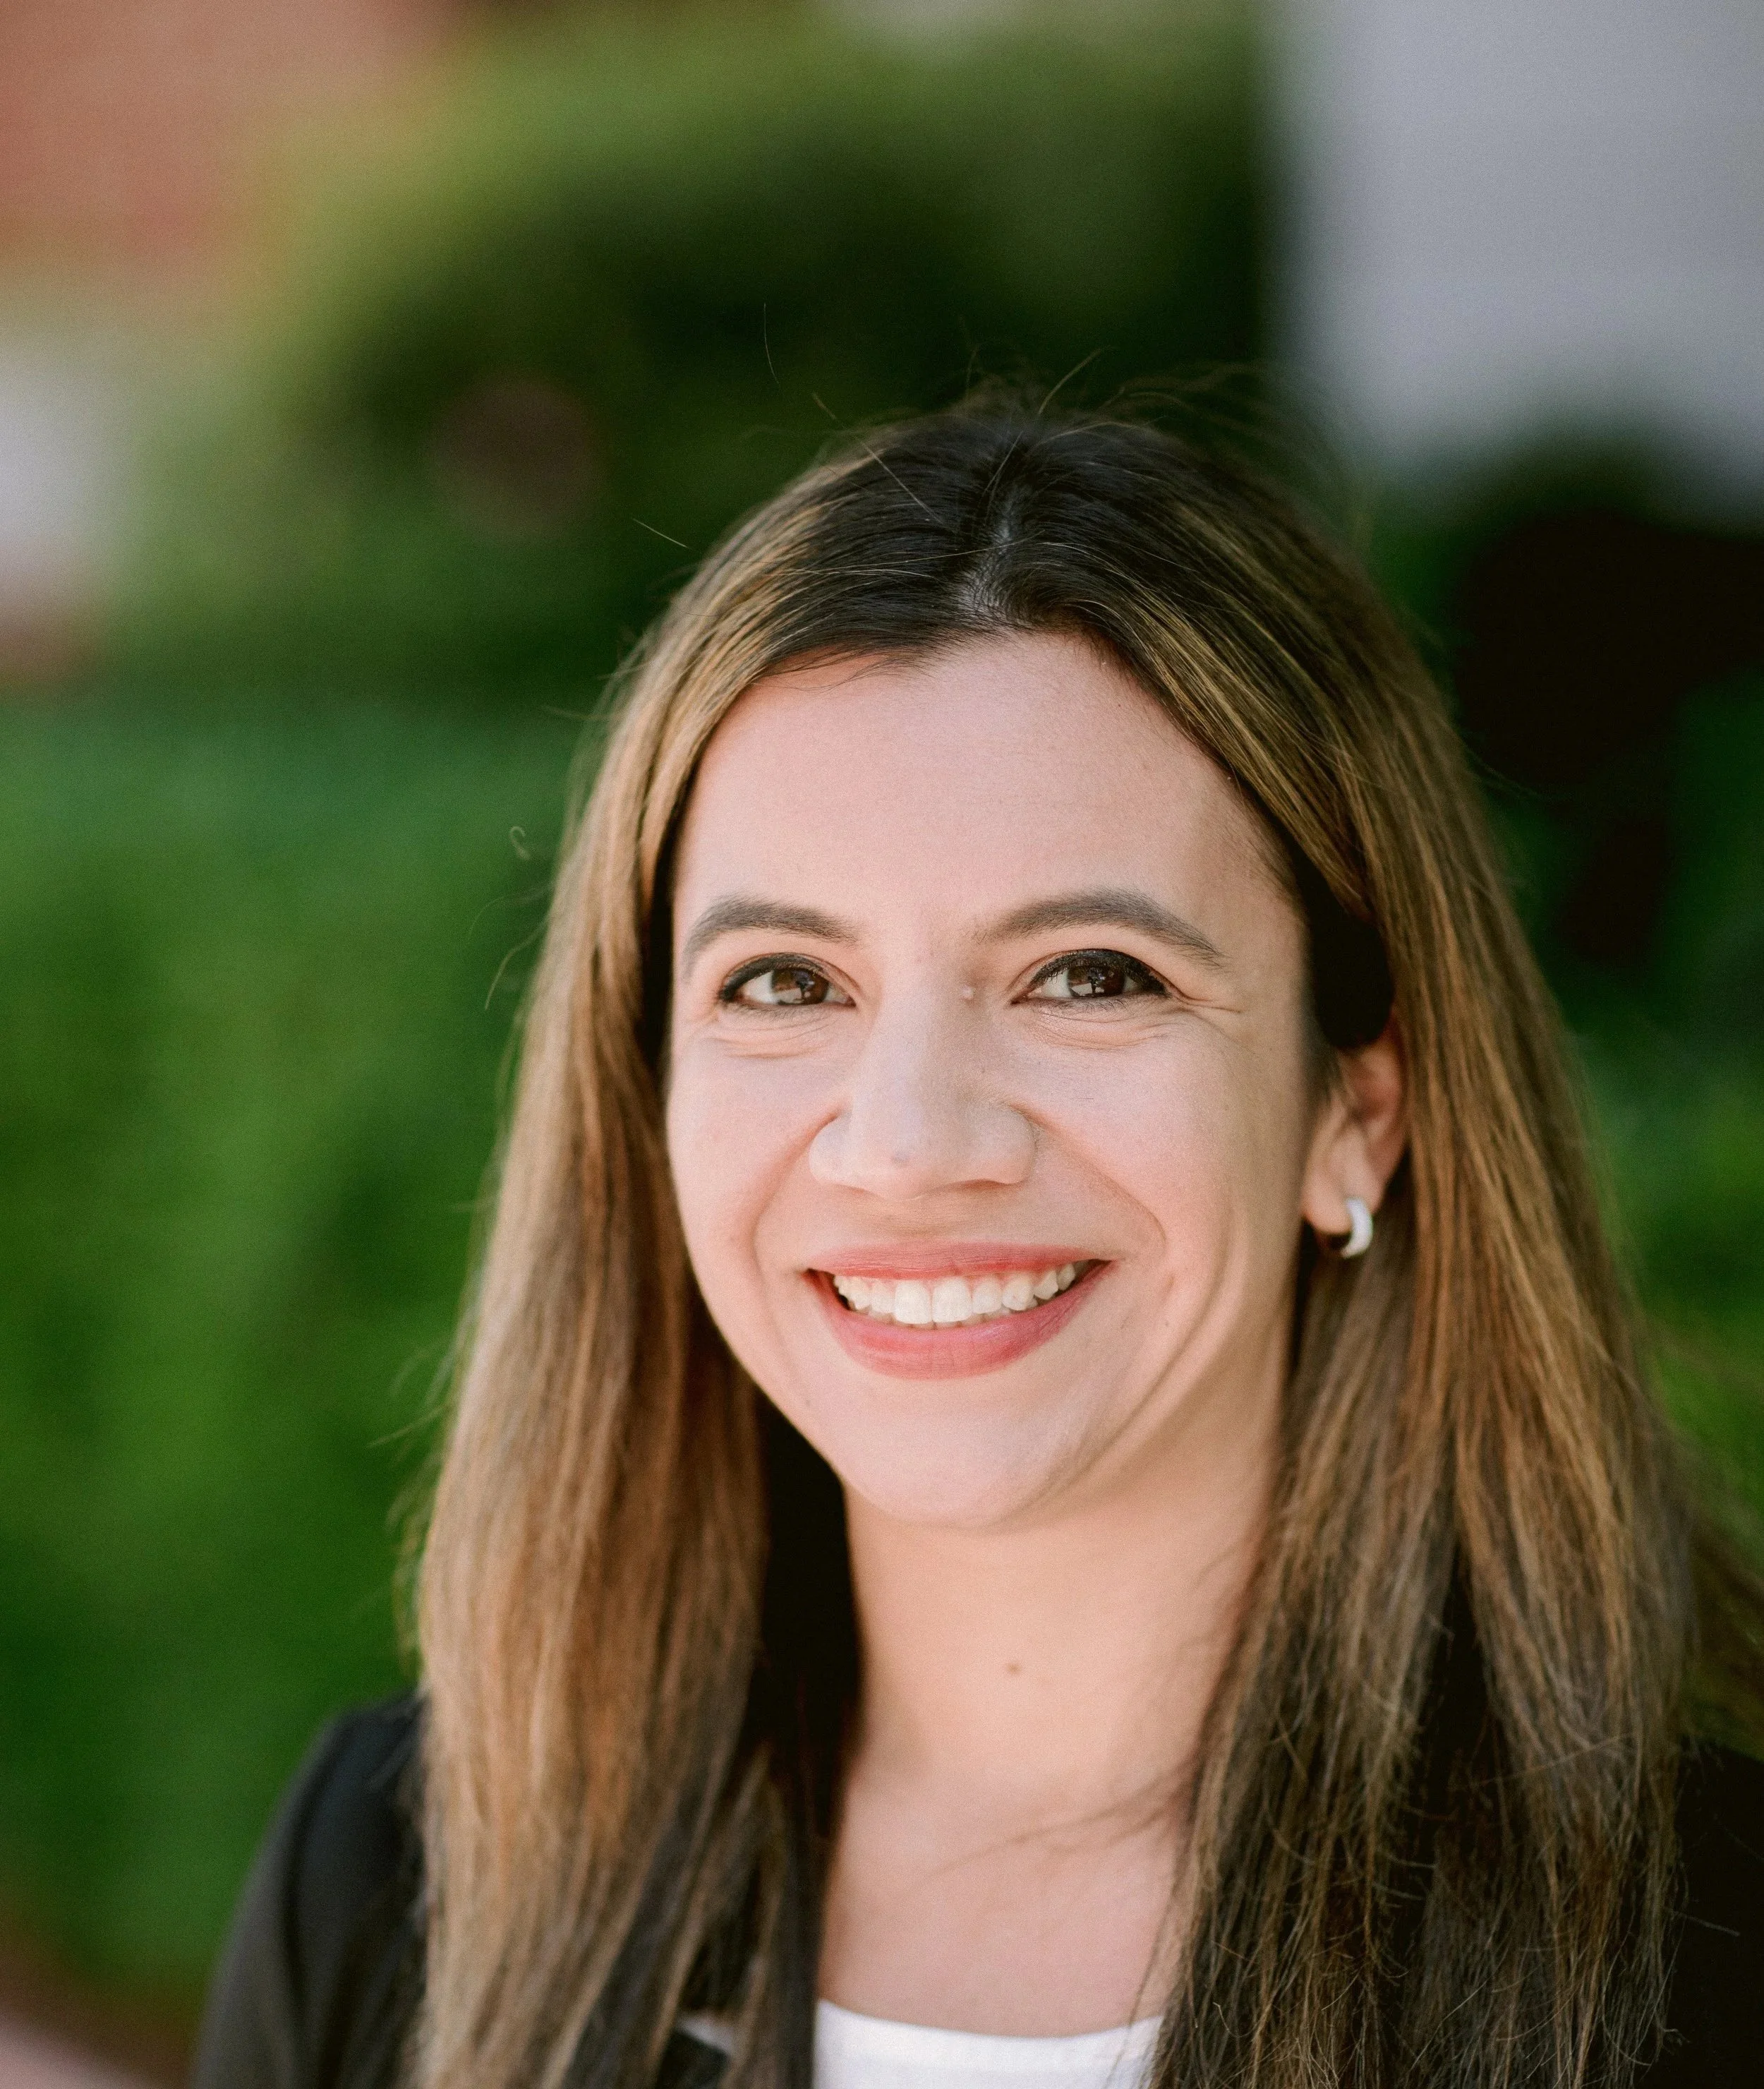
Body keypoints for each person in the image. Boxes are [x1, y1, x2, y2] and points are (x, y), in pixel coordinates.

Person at [192, 405, 1764, 2089]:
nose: (912, 1145)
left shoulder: (1710, 1956)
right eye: (784, 983)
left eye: (1090, 973)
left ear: (1350, 1109)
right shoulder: (394, 1893)